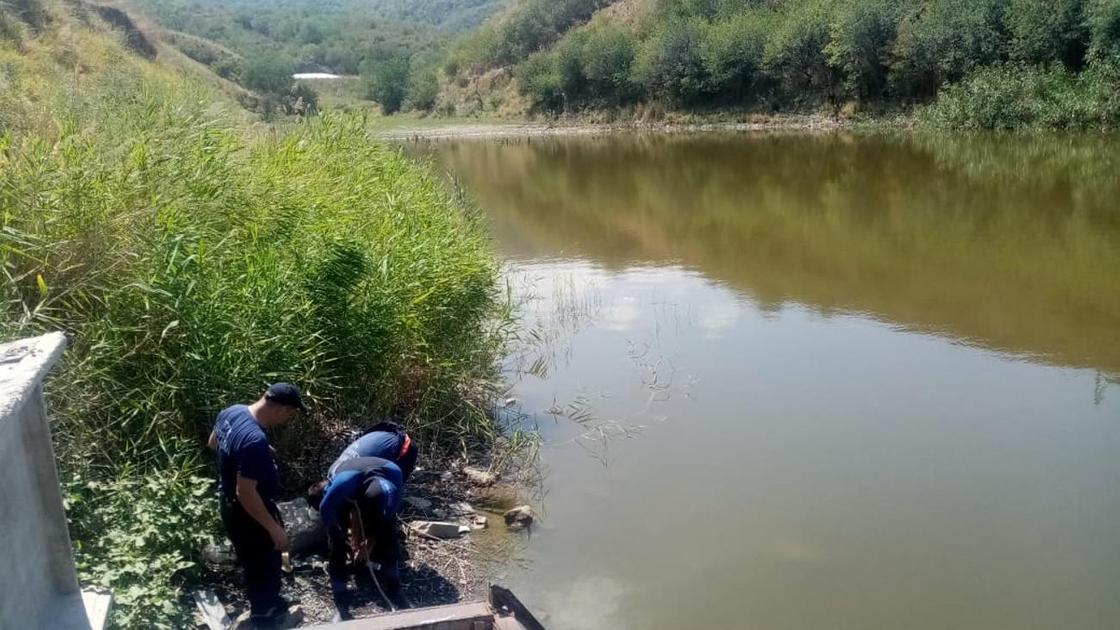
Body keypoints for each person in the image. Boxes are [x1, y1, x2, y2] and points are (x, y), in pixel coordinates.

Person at [208, 383, 307, 628]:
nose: (289, 419)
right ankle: (265, 617)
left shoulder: (232, 412)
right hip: (247, 512)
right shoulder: (254, 440)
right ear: (281, 409)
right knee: (265, 562)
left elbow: (214, 442)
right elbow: (246, 492)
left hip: (227, 503)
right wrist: (274, 528)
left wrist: (253, 456)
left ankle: (267, 603)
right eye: (291, 413)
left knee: (252, 561)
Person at [316, 456, 410, 617]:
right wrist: (340, 536)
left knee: (388, 538)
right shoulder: (344, 483)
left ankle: (395, 590)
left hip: (375, 493)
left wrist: (371, 542)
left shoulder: (395, 474)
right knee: (337, 548)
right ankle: (341, 600)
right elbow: (326, 508)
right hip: (345, 487)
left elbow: (387, 517)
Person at [328, 421, 418, 482]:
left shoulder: (338, 477)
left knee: (392, 485)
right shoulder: (332, 472)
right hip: (380, 434)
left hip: (401, 444)